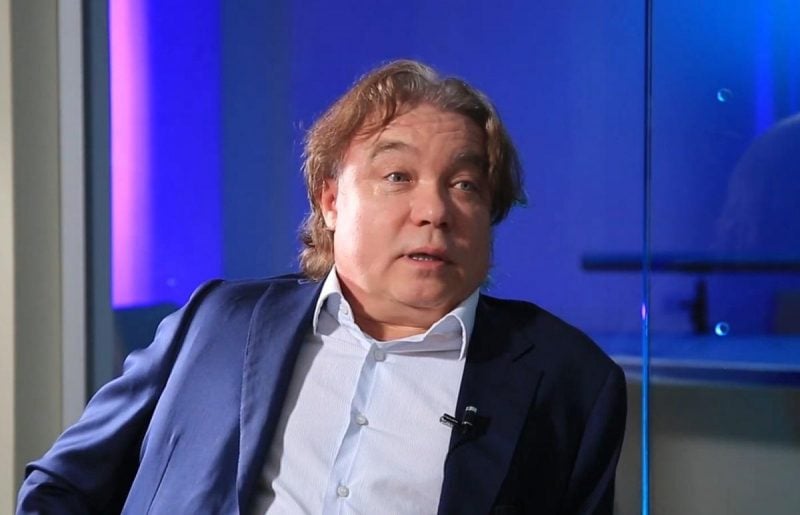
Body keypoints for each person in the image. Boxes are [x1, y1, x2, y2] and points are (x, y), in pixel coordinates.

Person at [17, 60, 626, 514]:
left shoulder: (568, 380)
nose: (434, 212)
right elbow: (63, 487)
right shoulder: (219, 321)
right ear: (331, 201)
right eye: (397, 176)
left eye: (465, 185)